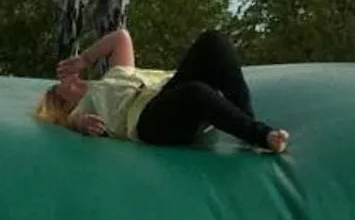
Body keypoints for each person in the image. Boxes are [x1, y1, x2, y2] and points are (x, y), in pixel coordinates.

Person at [34, 26, 290, 154]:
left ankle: (246, 119)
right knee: (194, 92)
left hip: (165, 95)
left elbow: (120, 37)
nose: (68, 80)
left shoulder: (114, 74)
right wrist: (78, 123)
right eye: (62, 87)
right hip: (150, 123)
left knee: (212, 41)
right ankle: (261, 135)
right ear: (63, 102)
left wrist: (85, 59)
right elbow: (72, 122)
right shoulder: (84, 107)